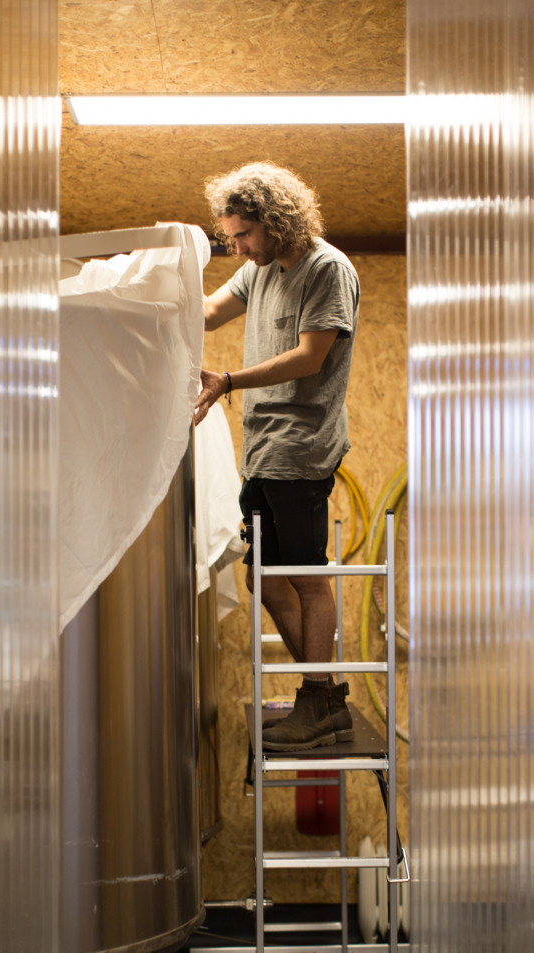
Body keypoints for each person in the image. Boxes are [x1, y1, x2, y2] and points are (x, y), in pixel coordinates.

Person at [194, 162, 360, 751]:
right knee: (263, 575)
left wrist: (229, 379)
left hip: (302, 448)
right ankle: (326, 695)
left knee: (304, 577)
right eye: (231, 235)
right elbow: (208, 311)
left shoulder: (326, 269)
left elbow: (311, 357)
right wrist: (144, 301)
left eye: (242, 233)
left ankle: (318, 700)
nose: (236, 246)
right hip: (263, 448)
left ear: (275, 220)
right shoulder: (258, 270)